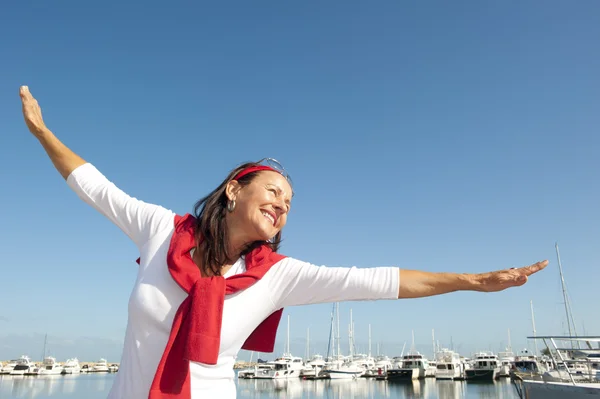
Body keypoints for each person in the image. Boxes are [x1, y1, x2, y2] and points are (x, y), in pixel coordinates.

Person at [19, 85, 547, 399]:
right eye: (273, 191)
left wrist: (473, 282)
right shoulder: (162, 229)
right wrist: (43, 133)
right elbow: (95, 187)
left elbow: (377, 282)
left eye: (289, 202)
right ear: (233, 190)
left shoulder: (277, 276)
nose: (282, 204)